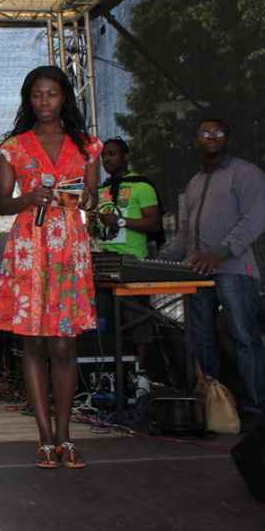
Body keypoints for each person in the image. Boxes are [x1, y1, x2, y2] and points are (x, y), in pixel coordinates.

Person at [0, 65, 101, 469]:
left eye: (51, 94)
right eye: (36, 95)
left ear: (64, 97)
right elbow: (1, 203)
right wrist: (28, 197)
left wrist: (84, 198)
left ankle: (65, 436)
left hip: (69, 249)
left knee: (64, 344)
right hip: (29, 248)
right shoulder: (15, 147)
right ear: (28, 99)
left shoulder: (88, 146)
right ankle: (44, 438)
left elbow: (93, 197)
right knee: (34, 343)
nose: (44, 102)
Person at [158, 118, 265, 431]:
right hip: (197, 273)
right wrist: (155, 261)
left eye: (218, 132)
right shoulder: (194, 182)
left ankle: (255, 409)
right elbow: (184, 235)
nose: (211, 137)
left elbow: (255, 220)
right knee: (202, 340)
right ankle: (214, 408)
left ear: (227, 138)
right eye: (204, 133)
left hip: (234, 270)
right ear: (197, 140)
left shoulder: (246, 173)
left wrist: (219, 253)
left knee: (244, 338)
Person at [94, 137, 163, 369]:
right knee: (106, 321)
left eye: (112, 153)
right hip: (104, 262)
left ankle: (141, 373)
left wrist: (120, 221)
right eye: (104, 155)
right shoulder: (102, 190)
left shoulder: (142, 186)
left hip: (132, 263)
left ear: (126, 157)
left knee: (137, 322)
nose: (106, 159)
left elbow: (154, 223)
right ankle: (112, 373)